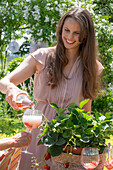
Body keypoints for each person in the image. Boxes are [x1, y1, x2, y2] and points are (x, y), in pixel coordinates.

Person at [0, 7, 104, 169]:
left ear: (85, 36)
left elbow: (86, 112)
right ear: (60, 29)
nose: (70, 37)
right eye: (66, 30)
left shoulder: (92, 67)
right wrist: (12, 89)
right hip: (38, 134)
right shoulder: (42, 57)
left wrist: (89, 145)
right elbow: (4, 82)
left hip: (68, 141)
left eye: (76, 33)